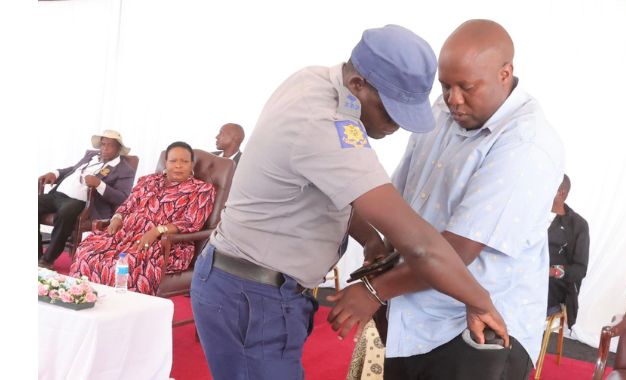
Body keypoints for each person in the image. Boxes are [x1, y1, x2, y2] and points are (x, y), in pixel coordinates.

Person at [191, 24, 509, 380]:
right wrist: (480, 301)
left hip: (248, 287)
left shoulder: (313, 80)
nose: (397, 127)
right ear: (358, 85)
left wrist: (371, 240)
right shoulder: (325, 125)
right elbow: (420, 246)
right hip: (254, 298)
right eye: (391, 112)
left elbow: (329, 187)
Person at [330, 19, 565, 380]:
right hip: (415, 317)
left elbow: (458, 251)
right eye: (446, 85)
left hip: (476, 331)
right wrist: (381, 247)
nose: (453, 99)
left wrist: (376, 290)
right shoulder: (444, 108)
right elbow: (403, 197)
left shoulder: (526, 144)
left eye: (466, 87)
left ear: (505, 74)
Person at [70, 141, 215, 295]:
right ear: (166, 162)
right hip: (126, 235)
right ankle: (87, 299)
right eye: (173, 161)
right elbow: (128, 204)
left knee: (127, 263)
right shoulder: (148, 180)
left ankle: (124, 310)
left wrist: (157, 231)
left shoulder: (202, 189)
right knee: (87, 251)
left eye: (184, 161)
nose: (178, 165)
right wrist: (117, 218)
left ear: (192, 164)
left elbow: (192, 222)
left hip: (166, 244)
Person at [38, 130, 135, 268]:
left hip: (79, 202)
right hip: (57, 194)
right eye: (103, 144)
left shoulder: (124, 170)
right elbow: (74, 169)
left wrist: (99, 184)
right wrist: (55, 173)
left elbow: (122, 198)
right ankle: (36, 255)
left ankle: (46, 261)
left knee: (65, 213)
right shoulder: (91, 156)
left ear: (118, 148)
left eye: (110, 145)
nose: (105, 148)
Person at [547, 174, 589, 329]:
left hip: (553, 287)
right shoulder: (529, 215)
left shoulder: (578, 226)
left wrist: (550, 272)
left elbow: (579, 270)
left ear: (561, 193)